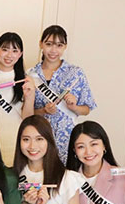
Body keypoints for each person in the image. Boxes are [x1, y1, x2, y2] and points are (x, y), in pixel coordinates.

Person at [29, 25, 96, 164]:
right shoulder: (30, 74)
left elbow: (87, 109)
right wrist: (43, 111)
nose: (53, 50)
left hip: (67, 139)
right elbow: (25, 111)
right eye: (49, 44)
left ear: (65, 46)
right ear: (41, 44)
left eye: (59, 45)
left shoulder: (76, 73)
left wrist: (74, 107)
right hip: (37, 139)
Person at [0, 32, 35, 163]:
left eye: (15, 51)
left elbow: (27, 118)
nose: (9, 55)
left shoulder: (26, 80)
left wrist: (29, 97)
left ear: (20, 54)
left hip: (16, 139)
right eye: (5, 49)